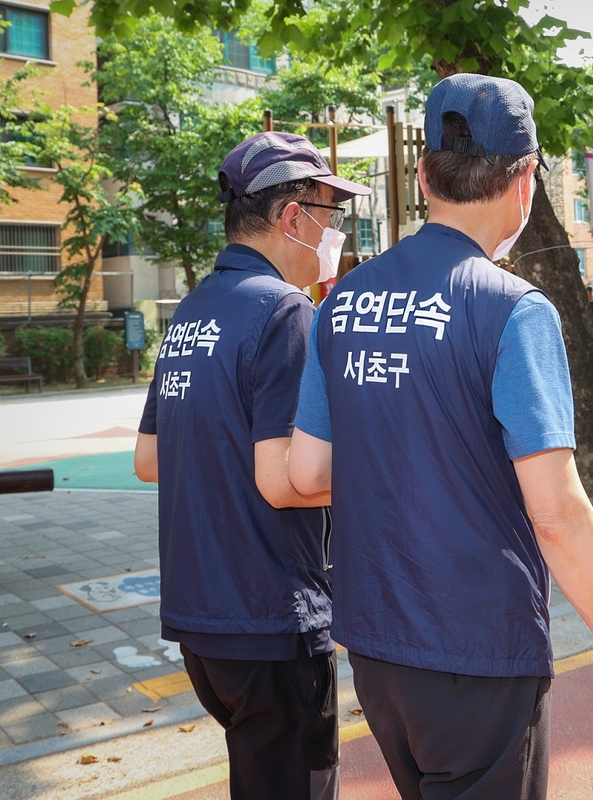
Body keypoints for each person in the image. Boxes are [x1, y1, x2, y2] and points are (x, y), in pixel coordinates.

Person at [288, 73, 593, 800]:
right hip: (478, 645)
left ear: (425, 173)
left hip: (376, 644)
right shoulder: (513, 311)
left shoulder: (344, 304)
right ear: (527, 181)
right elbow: (555, 512)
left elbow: (306, 473)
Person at [133, 131, 370, 800]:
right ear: (292, 216)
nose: (333, 235)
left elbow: (148, 459)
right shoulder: (287, 311)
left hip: (200, 620)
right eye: (330, 217)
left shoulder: (194, 309)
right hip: (270, 617)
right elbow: (283, 478)